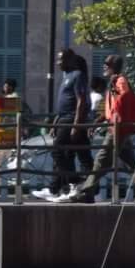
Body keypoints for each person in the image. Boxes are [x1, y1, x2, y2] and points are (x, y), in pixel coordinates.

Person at [91, 54, 135, 201]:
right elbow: (113, 106)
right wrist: (100, 119)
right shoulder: (113, 81)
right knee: (130, 161)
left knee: (101, 159)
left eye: (106, 64)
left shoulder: (119, 80)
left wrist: (117, 94)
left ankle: (86, 191)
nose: (104, 66)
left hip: (117, 128)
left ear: (113, 66)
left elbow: (125, 97)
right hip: (115, 126)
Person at [50, 48, 92, 193]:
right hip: (63, 118)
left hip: (71, 118)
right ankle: (62, 187)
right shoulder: (65, 75)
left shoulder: (77, 75)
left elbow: (81, 101)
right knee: (78, 153)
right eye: (58, 59)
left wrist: (76, 125)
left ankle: (73, 180)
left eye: (61, 59)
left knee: (58, 151)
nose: (58, 62)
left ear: (69, 60)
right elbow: (63, 101)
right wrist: (56, 121)